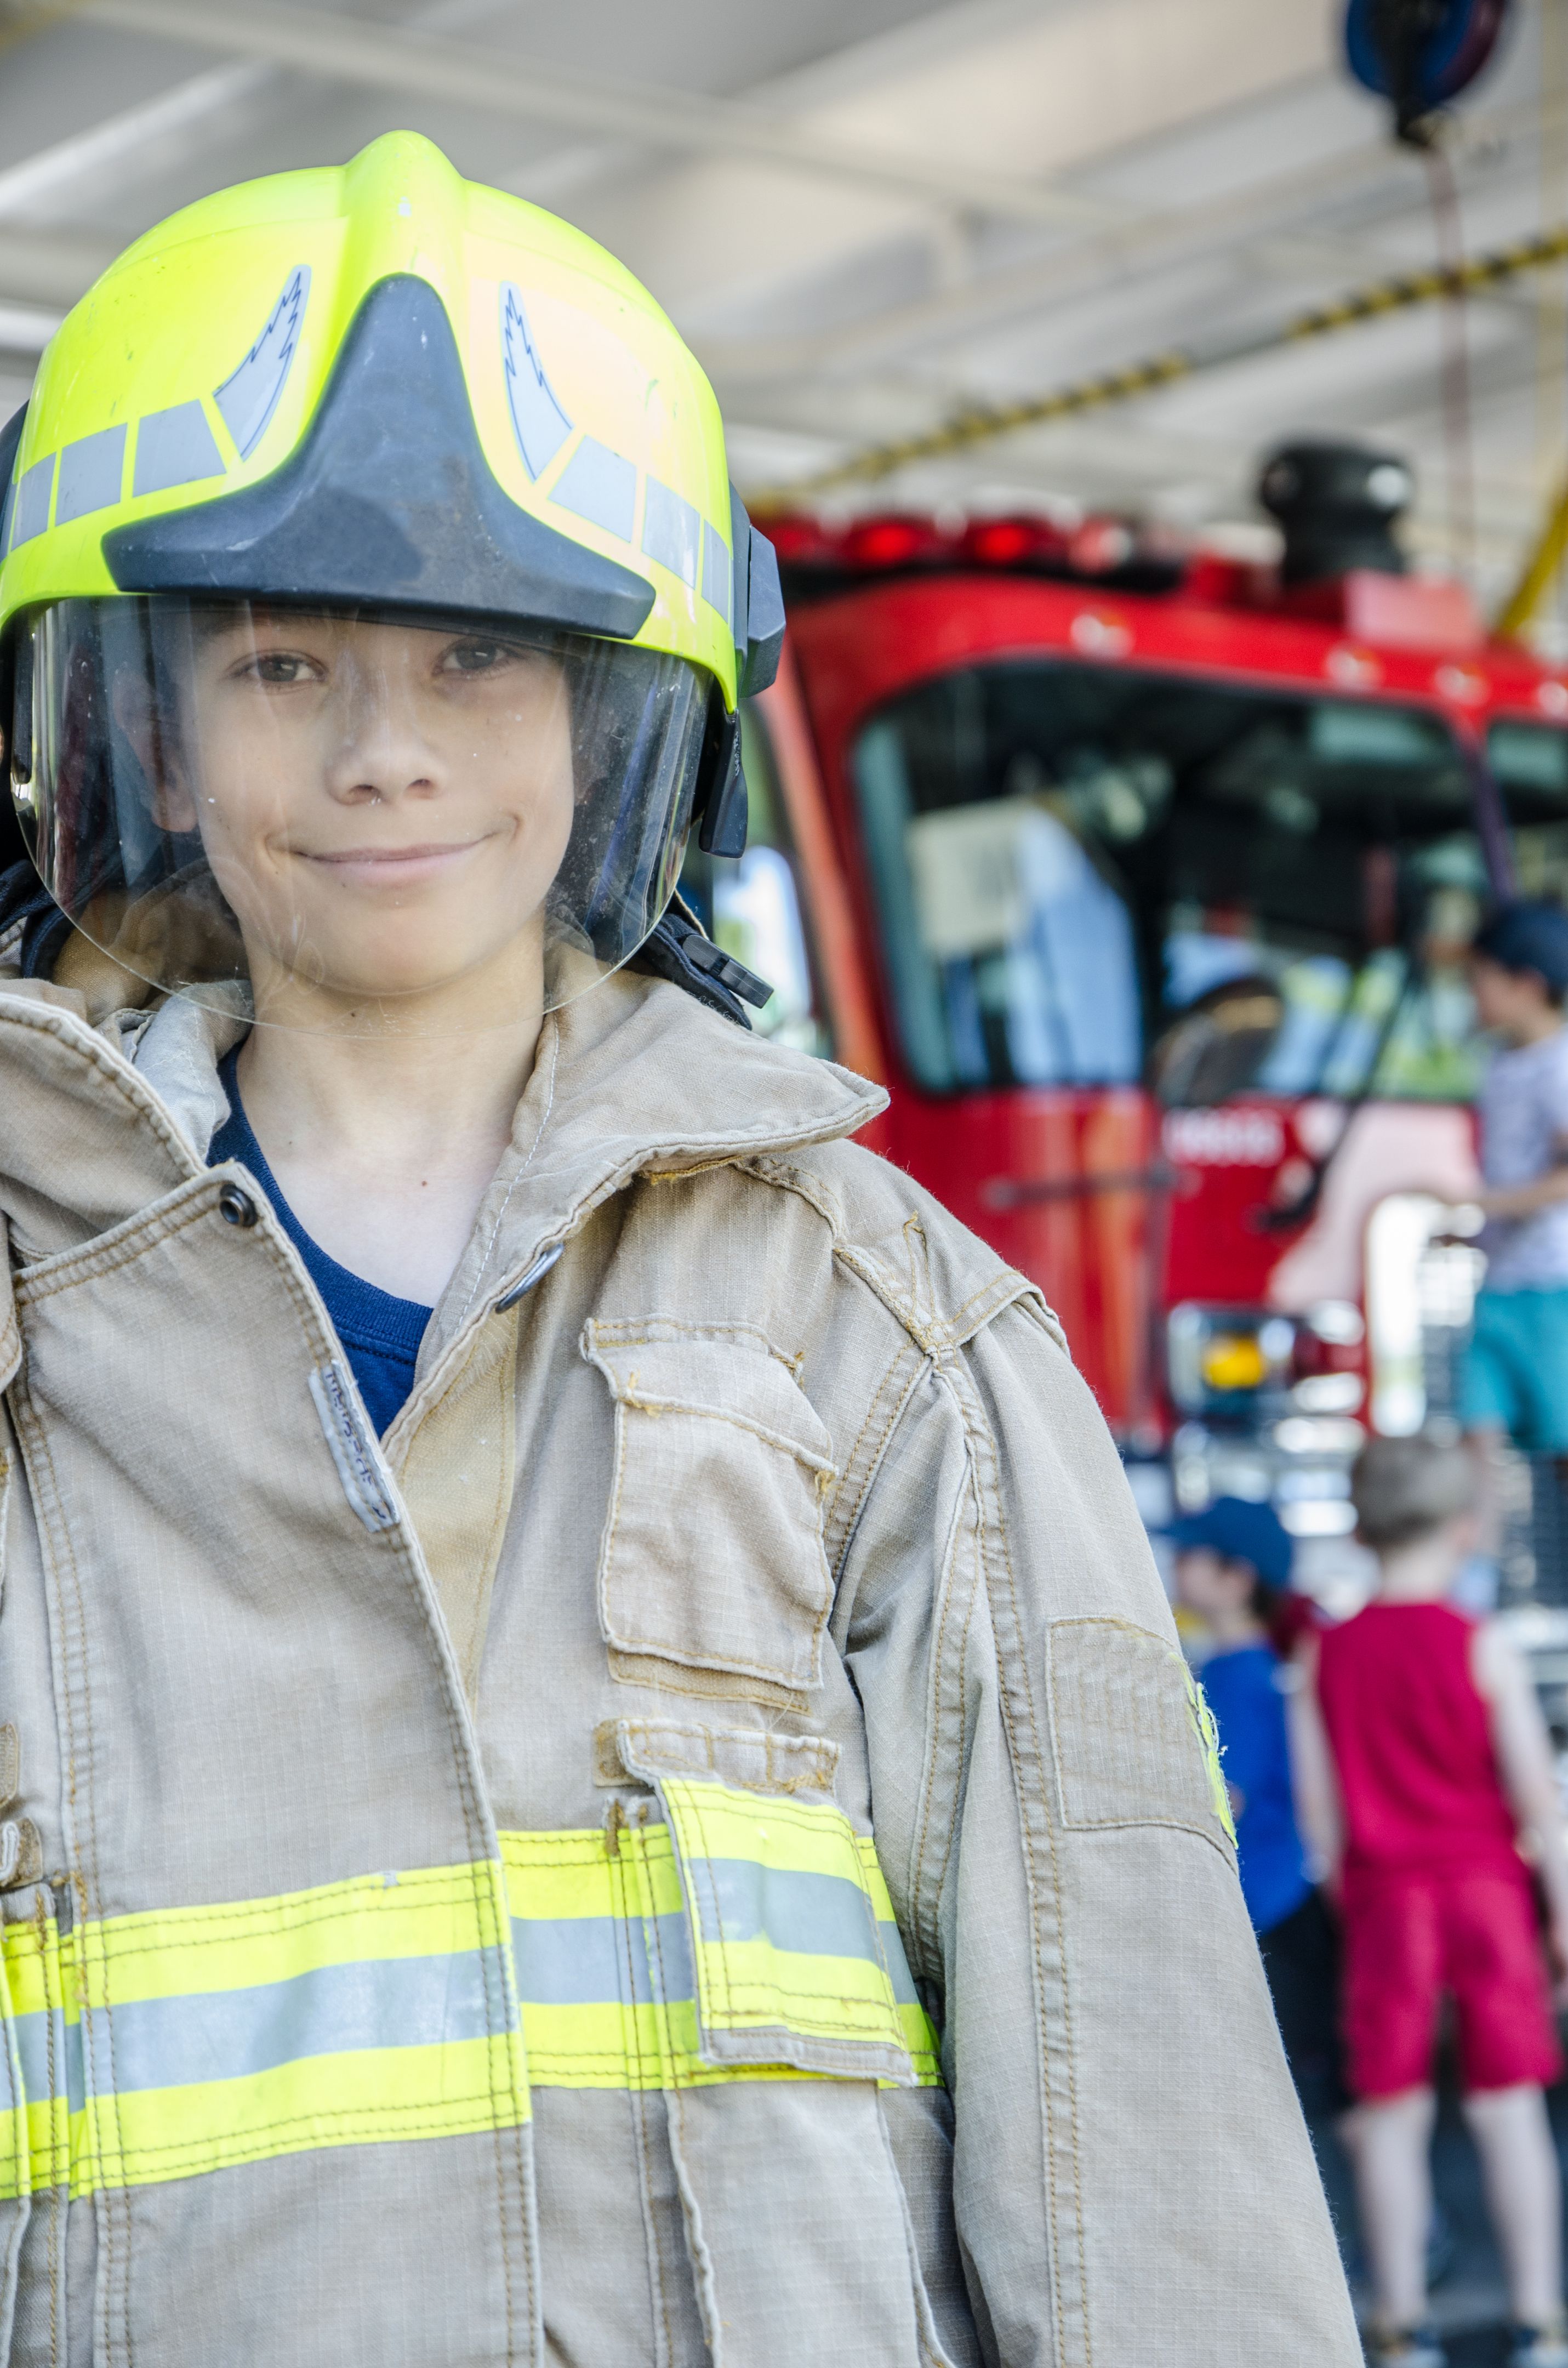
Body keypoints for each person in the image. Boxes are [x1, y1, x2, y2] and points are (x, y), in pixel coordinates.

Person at [0, 132, 1358, 2365]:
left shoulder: (888, 1332)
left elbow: (1151, 2165)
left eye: (476, 657)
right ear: (132, 713)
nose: (382, 752)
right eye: (278, 666)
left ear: (625, 713)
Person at [1295, 1433, 1568, 2368]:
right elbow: (1536, 1799)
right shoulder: (1479, 1644)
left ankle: (1403, 2330)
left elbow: (1321, 1826)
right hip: (1488, 1895)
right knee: (1507, 2106)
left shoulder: (1326, 1659)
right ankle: (1538, 2324)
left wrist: (1356, 1897)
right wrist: (1562, 1912)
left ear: (1362, 1528)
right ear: (1465, 1529)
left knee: (1391, 2112)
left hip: (1384, 1904)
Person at [1173, 1496, 1344, 2120]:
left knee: (1291, 2106)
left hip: (1269, 1914)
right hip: (1274, 1907)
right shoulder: (1241, 1666)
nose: (1174, 1565)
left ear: (1235, 1578)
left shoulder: (1241, 1676)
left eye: (1191, 1554)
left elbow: (1226, 1801)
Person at [1456, 901, 1568, 1518]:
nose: (1472, 997)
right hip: (1499, 1281)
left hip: (1550, 1286)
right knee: (1477, 1430)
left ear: (1525, 985)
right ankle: (1477, 1575)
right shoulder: (1500, 1067)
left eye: (1479, 980)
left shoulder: (1559, 1065)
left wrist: (1476, 1202)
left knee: (1559, 1441)